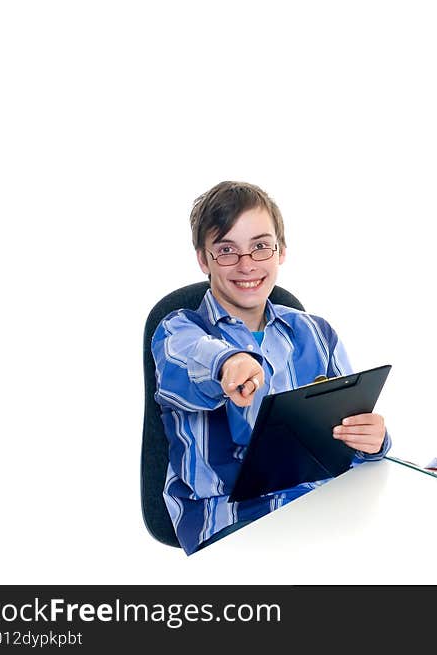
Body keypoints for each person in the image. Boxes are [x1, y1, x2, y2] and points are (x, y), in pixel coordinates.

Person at [151, 181, 391, 554]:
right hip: (232, 521)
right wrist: (228, 362)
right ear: (203, 259)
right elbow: (193, 358)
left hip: (320, 510)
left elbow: (345, 443)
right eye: (226, 251)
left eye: (260, 246)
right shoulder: (177, 331)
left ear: (281, 252)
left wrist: (372, 440)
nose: (247, 264)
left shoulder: (316, 333)